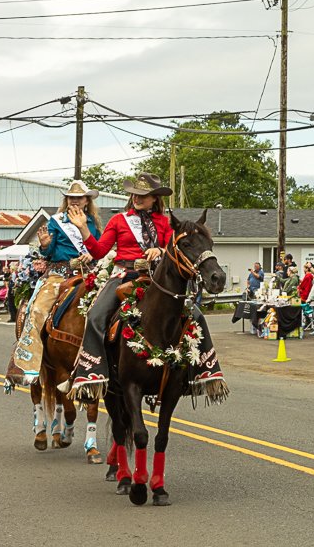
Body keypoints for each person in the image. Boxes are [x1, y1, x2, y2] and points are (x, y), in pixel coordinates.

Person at [66, 172, 227, 403]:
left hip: (157, 280)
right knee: (95, 316)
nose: (137, 198)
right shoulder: (119, 220)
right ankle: (93, 373)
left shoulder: (165, 222)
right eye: (134, 194)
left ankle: (200, 375)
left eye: (143, 195)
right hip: (124, 275)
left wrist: (161, 251)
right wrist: (83, 229)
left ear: (154, 198)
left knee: (197, 318)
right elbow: (99, 252)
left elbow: (176, 251)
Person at [5, 180, 100, 389]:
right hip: (60, 273)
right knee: (37, 310)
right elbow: (48, 253)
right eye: (71, 197)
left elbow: (99, 248)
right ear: (67, 200)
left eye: (79, 198)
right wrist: (46, 245)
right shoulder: (56, 222)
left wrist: (90, 254)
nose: (75, 201)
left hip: (88, 274)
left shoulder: (92, 223)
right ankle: (28, 363)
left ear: (86, 201)